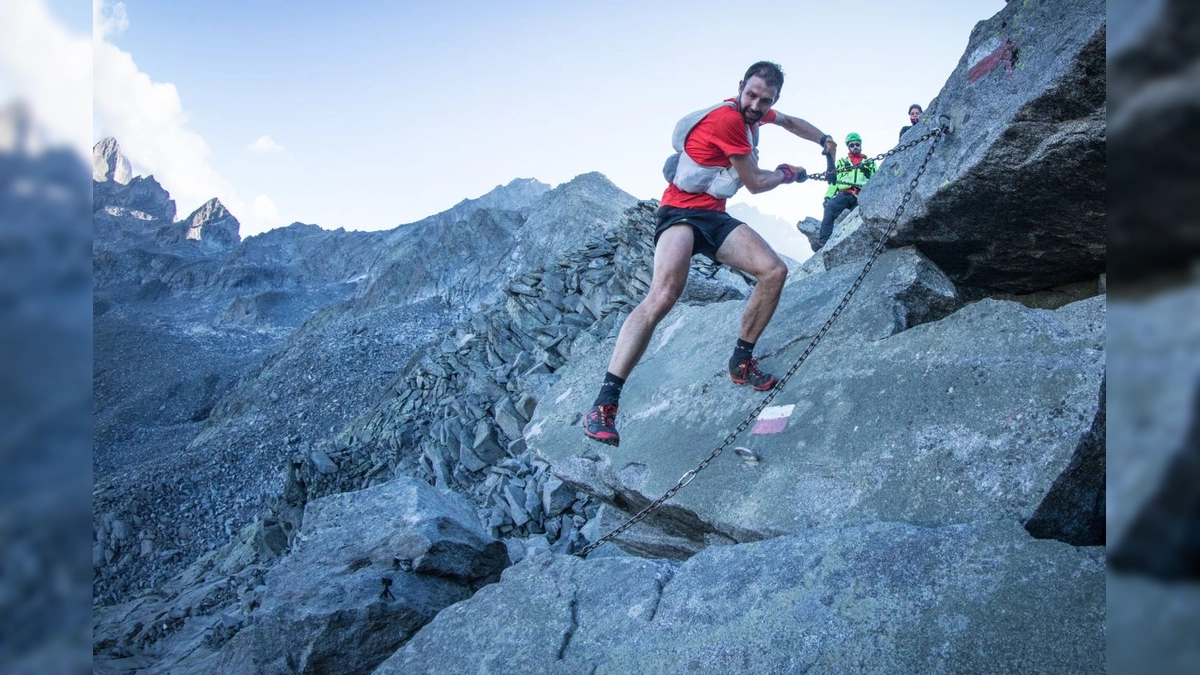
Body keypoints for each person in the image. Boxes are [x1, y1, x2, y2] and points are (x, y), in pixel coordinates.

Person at [581, 61, 837, 447]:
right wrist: (789, 172)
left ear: (773, 98)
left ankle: (741, 361)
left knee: (773, 271)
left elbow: (789, 122)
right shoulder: (728, 120)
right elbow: (754, 183)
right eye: (750, 95)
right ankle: (604, 405)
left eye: (764, 100)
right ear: (739, 87)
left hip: (712, 215)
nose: (755, 104)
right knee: (664, 294)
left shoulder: (759, 113)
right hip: (680, 213)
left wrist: (824, 139)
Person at [810, 133, 877, 251]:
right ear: (848, 147)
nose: (855, 146)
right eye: (852, 145)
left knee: (862, 219)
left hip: (861, 195)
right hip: (844, 193)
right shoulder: (842, 163)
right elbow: (835, 181)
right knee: (830, 208)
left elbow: (876, 179)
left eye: (857, 144)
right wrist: (828, 197)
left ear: (860, 145)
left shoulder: (870, 163)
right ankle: (823, 241)